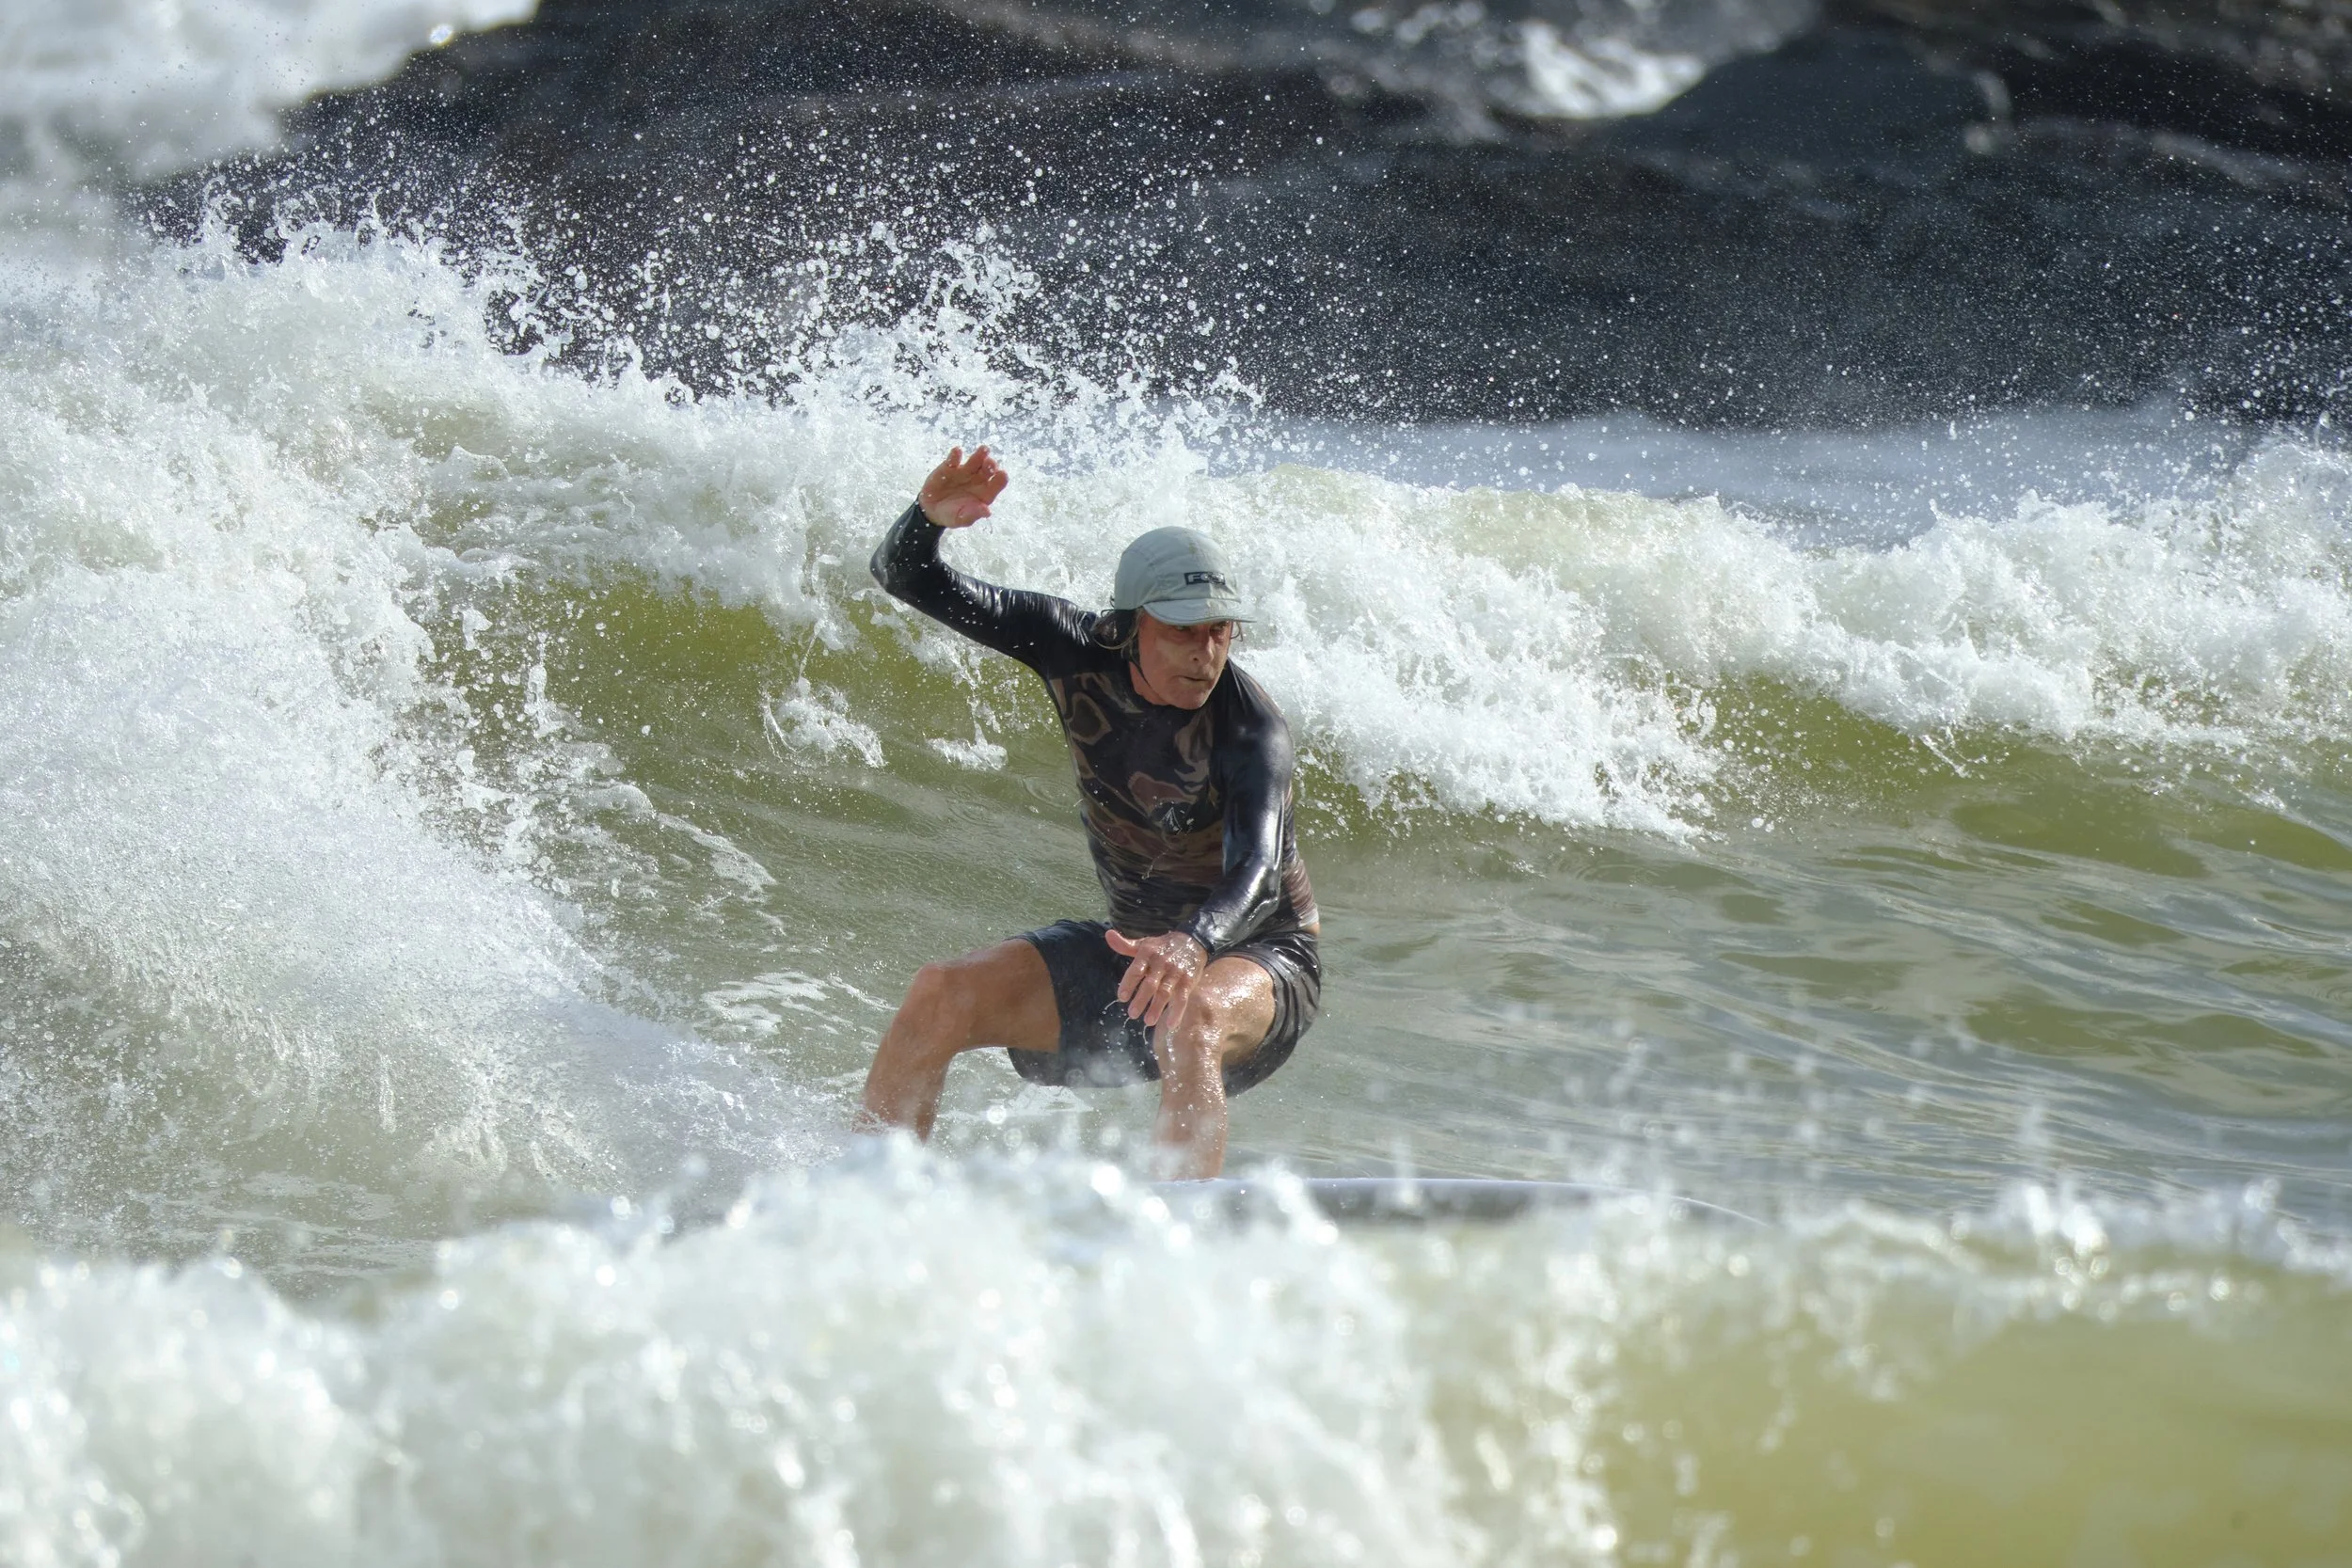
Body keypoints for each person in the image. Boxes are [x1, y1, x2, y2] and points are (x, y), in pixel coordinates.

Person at [854, 445, 1320, 1179]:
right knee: (941, 994)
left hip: (1259, 962)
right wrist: (927, 521)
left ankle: (1175, 1236)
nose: (1205, 654)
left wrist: (1194, 943)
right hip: (1139, 955)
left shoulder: (1249, 727)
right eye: (1182, 630)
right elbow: (903, 575)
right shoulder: (1069, 644)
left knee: (1190, 1014)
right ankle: (862, 1198)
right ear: (1132, 623)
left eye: (1220, 630)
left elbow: (1257, 867)